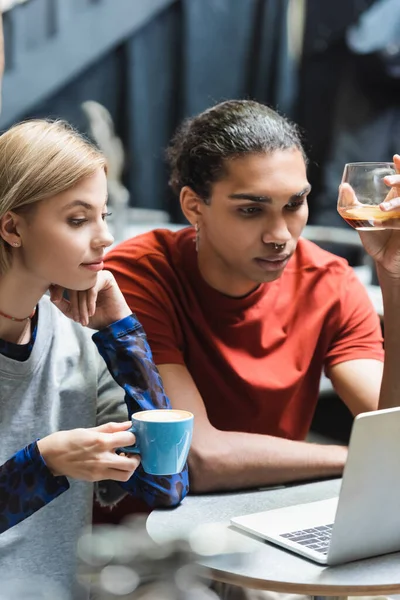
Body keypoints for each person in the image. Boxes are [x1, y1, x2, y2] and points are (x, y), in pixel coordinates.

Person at [105, 99, 399, 497]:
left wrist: (393, 275)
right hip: (151, 535)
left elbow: (391, 429)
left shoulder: (329, 281)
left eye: (294, 204)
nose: (280, 234)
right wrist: (357, 459)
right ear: (195, 206)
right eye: (250, 210)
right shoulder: (138, 275)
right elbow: (197, 457)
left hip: (273, 511)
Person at [0, 119, 189, 598]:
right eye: (78, 219)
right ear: (12, 226)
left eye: (104, 215)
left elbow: (164, 484)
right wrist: (45, 463)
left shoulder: (77, 333)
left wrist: (121, 331)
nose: (105, 238)